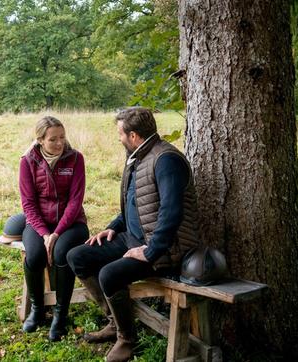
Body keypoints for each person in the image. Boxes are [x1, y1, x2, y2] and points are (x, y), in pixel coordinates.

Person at [67, 107, 201, 362]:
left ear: (134, 135)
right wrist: (113, 227)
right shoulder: (139, 157)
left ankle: (127, 340)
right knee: (78, 256)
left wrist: (150, 251)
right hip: (134, 238)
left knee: (110, 274)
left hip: (166, 249)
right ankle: (115, 322)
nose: (118, 138)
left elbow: (171, 213)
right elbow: (135, 205)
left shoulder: (166, 160)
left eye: (120, 133)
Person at [19, 116, 89, 341]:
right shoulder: (28, 161)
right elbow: (28, 204)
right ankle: (38, 309)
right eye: (53, 139)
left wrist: (57, 233)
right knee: (35, 255)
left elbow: (75, 201)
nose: (59, 143)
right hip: (39, 224)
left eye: (62, 137)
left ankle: (60, 314)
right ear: (40, 140)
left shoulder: (76, 159)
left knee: (61, 253)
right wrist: (44, 234)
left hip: (71, 224)